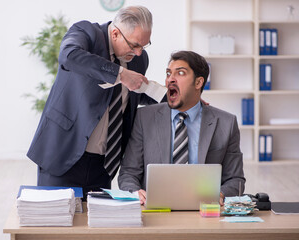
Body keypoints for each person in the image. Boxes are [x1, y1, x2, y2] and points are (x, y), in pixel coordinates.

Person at [27, 6, 159, 199]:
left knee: (97, 225)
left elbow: (135, 91)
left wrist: (181, 99)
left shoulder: (139, 59)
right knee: (57, 224)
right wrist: (120, 74)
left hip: (104, 164)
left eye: (144, 46)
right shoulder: (86, 33)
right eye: (135, 45)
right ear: (115, 33)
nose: (139, 52)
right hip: (64, 153)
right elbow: (69, 55)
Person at [118, 50, 245, 205]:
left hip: (204, 211)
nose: (170, 79)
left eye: (180, 73)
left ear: (198, 83)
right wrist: (134, 192)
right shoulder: (144, 118)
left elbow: (235, 179)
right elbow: (128, 173)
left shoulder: (226, 123)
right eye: (168, 73)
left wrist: (221, 194)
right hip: (155, 211)